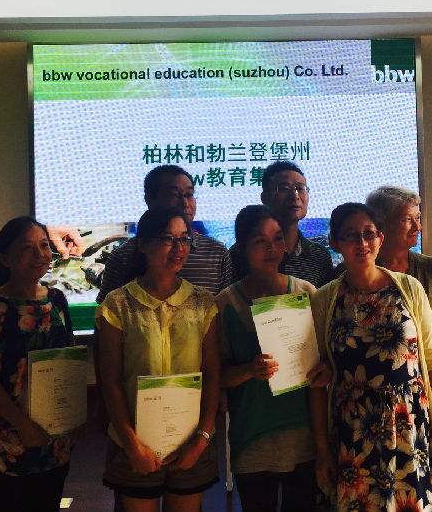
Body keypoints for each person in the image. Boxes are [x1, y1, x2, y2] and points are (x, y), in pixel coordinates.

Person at [310, 203, 432, 512]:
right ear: (334, 242)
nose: (362, 243)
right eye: (351, 235)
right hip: (352, 430)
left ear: (380, 237)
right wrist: (322, 449)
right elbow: (317, 380)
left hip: (409, 424)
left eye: (369, 234)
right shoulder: (325, 299)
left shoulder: (409, 288)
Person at [97, 206, 221, 511]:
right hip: (135, 444)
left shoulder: (203, 303)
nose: (179, 248)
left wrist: (201, 440)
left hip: (191, 441)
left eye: (184, 239)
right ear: (142, 244)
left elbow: (213, 375)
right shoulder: (117, 305)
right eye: (168, 239)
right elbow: (111, 382)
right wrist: (132, 445)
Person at [217, 205, 330, 512]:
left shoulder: (306, 293)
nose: (272, 248)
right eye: (260, 241)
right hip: (253, 439)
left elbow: (323, 366)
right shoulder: (225, 303)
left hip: (304, 438)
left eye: (278, 239)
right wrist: (247, 370)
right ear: (242, 248)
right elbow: (216, 376)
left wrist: (325, 372)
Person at [0, 216, 76, 512]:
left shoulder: (57, 300)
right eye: (27, 248)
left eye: (44, 245)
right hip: (9, 436)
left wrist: (73, 417)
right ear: (5, 258)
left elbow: (68, 362)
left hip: (54, 434)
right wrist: (23, 425)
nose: (39, 254)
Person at [365, 186, 432, 437]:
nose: (417, 226)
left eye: (418, 218)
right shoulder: (361, 274)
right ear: (382, 224)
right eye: (407, 220)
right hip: (383, 408)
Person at [97, 165, 232, 301]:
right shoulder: (122, 256)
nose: (185, 203)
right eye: (174, 195)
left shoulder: (217, 253)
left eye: (189, 195)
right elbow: (107, 310)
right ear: (149, 199)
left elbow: (226, 309)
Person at [230, 161, 336, 288]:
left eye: (300, 189)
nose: (295, 196)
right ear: (264, 198)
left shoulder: (320, 255)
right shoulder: (242, 253)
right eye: (284, 188)